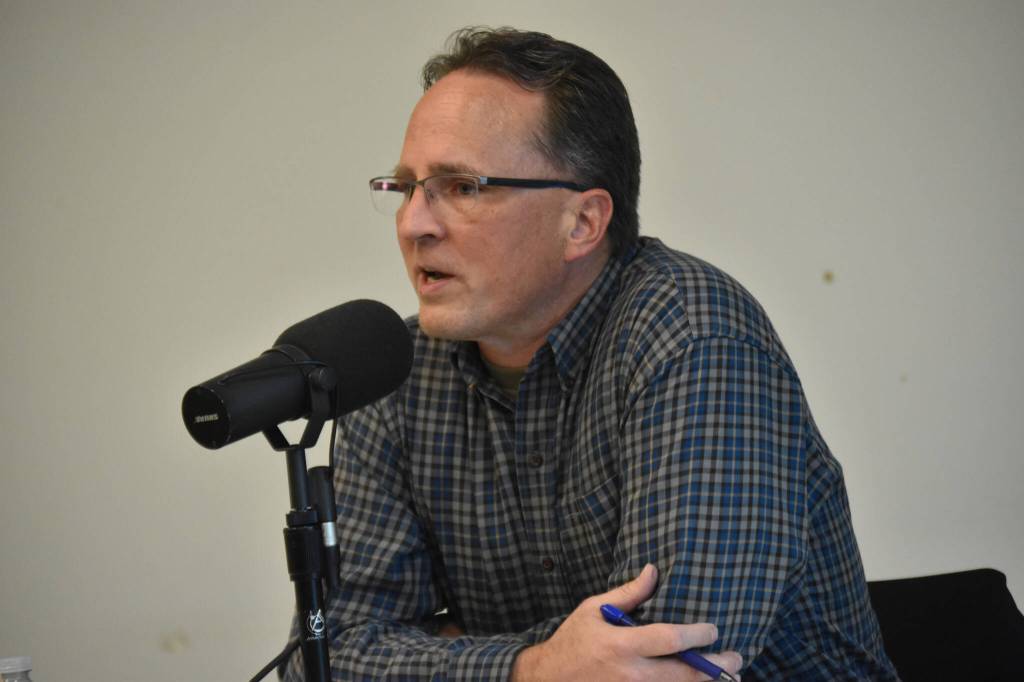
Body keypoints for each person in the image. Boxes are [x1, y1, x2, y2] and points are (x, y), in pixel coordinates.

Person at [283, 27, 898, 681]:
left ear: (582, 223)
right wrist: (534, 667)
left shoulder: (694, 338)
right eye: (406, 187)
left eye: (462, 187)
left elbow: (668, 665)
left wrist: (445, 650)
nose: (414, 224)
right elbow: (328, 659)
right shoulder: (397, 373)